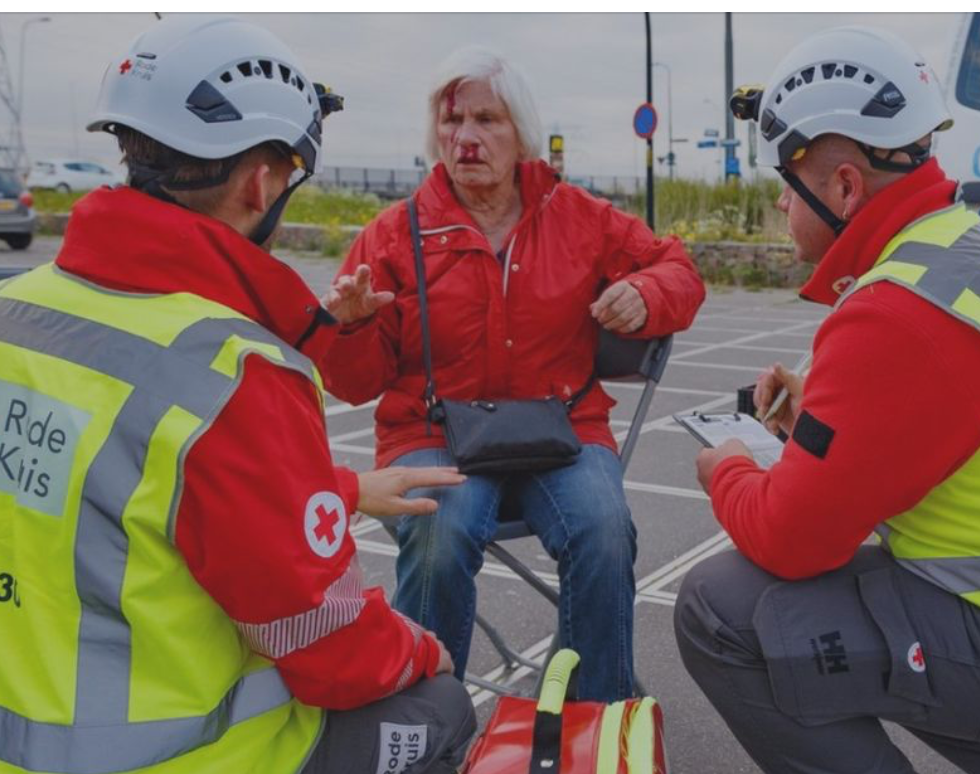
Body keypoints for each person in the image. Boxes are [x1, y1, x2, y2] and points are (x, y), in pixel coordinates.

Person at [0, 16, 475, 774]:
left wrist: (339, 487)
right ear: (262, 181)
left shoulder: (18, 308)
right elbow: (325, 646)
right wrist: (422, 647)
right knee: (440, 707)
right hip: (175, 755)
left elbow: (110, 487)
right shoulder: (229, 372)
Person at [322, 46, 705, 702]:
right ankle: (425, 719)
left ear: (522, 132)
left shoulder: (580, 217)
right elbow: (354, 385)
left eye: (486, 121)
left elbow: (679, 270)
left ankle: (593, 716)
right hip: (432, 430)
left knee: (604, 533)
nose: (465, 138)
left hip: (562, 426)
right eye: (452, 122)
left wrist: (648, 294)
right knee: (440, 537)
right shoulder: (391, 235)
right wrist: (349, 327)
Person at [674, 26, 980, 774]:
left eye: (788, 179)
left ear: (844, 186)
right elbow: (935, 413)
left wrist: (729, 464)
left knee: (720, 606)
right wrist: (822, 419)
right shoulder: (959, 242)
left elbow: (791, 537)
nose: (781, 200)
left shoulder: (893, 311)